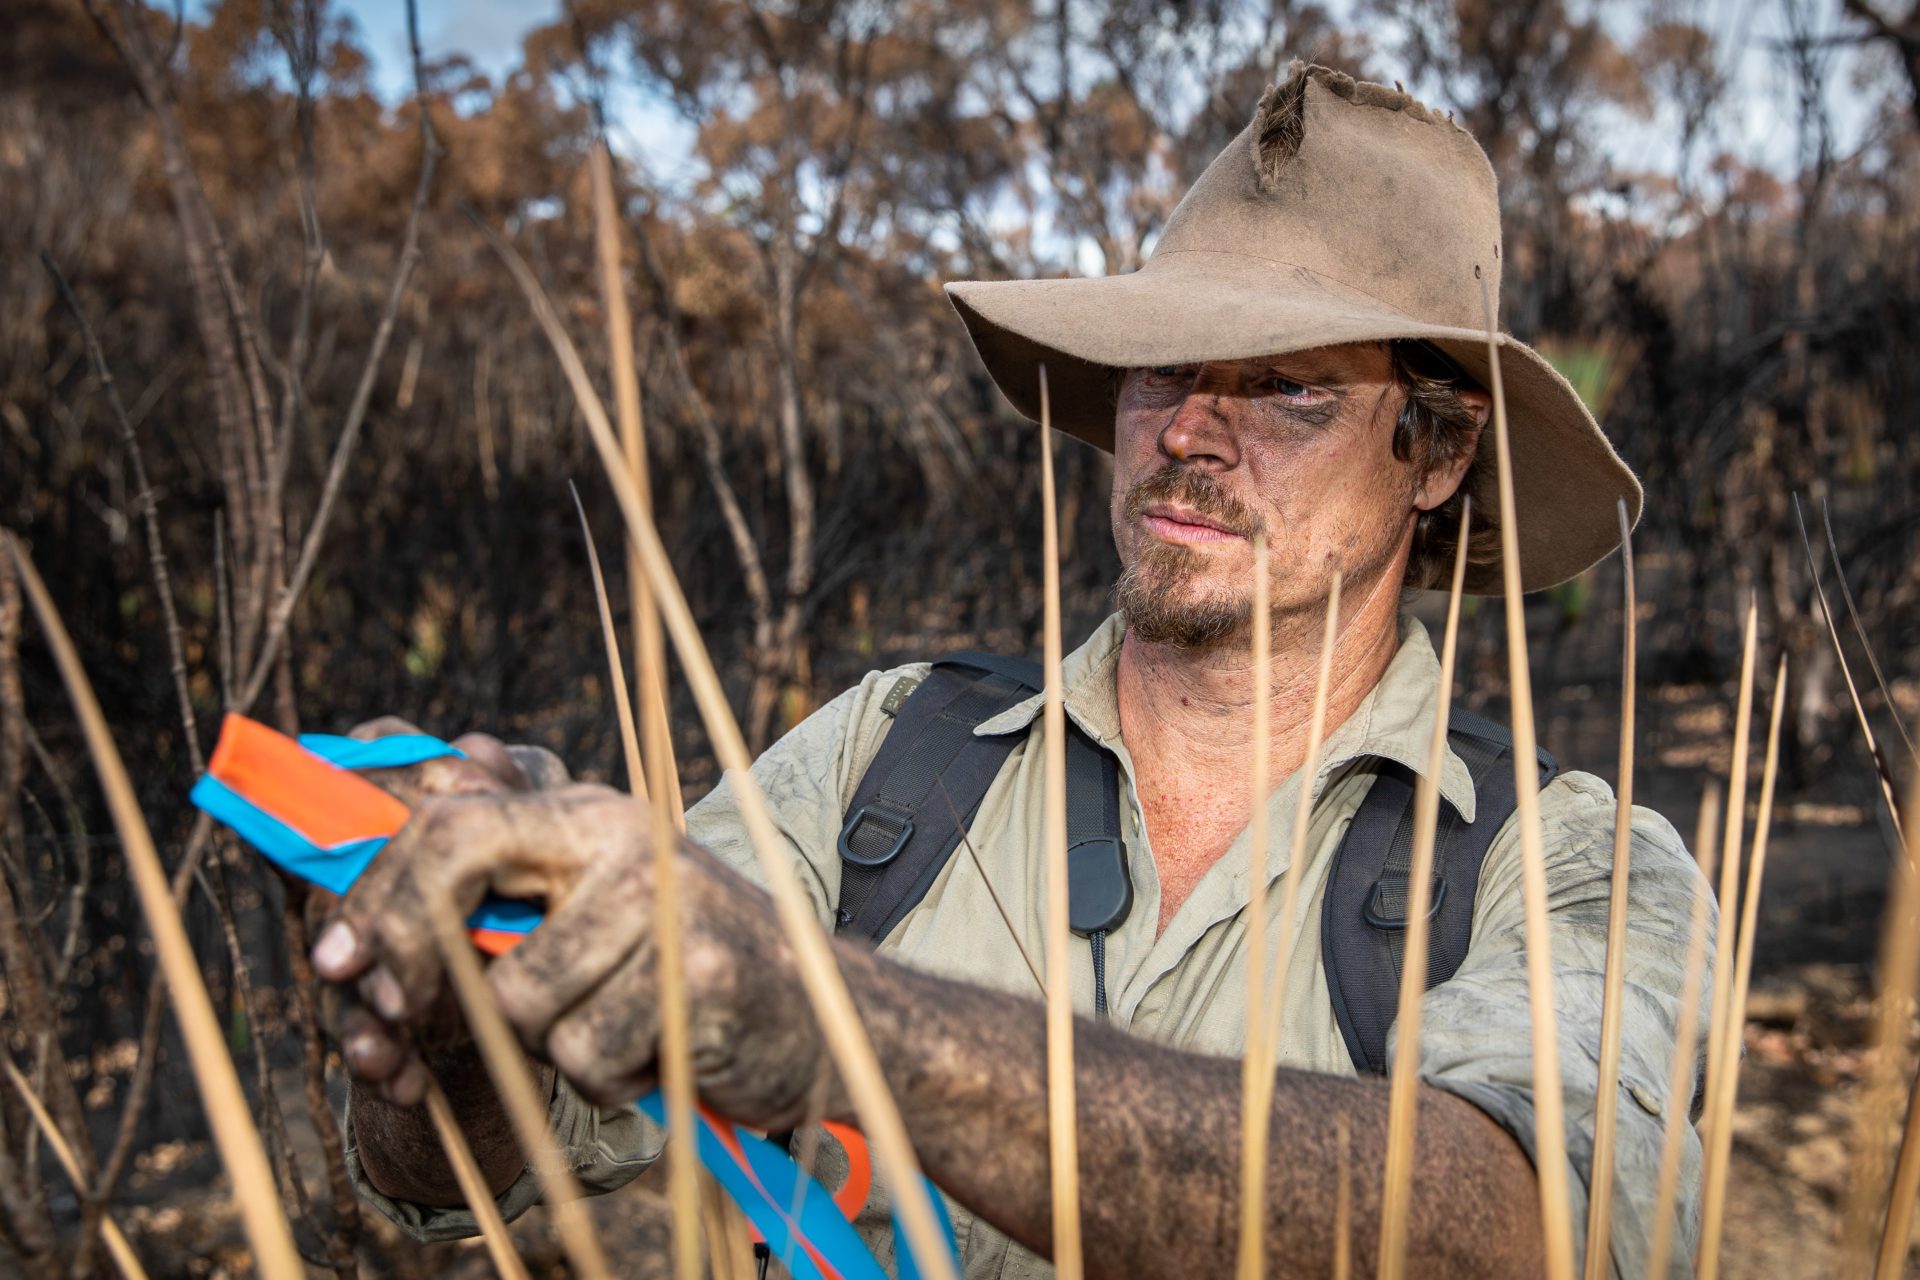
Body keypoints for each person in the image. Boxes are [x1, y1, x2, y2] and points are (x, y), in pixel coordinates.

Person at [315, 62, 1714, 1277]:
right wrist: (460, 1006)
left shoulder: (1567, 862)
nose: (1191, 437)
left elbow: (1513, 1230)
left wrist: (841, 1022)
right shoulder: (889, 762)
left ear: (1441, 451)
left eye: (1292, 390)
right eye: (1165, 369)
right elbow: (477, 1167)